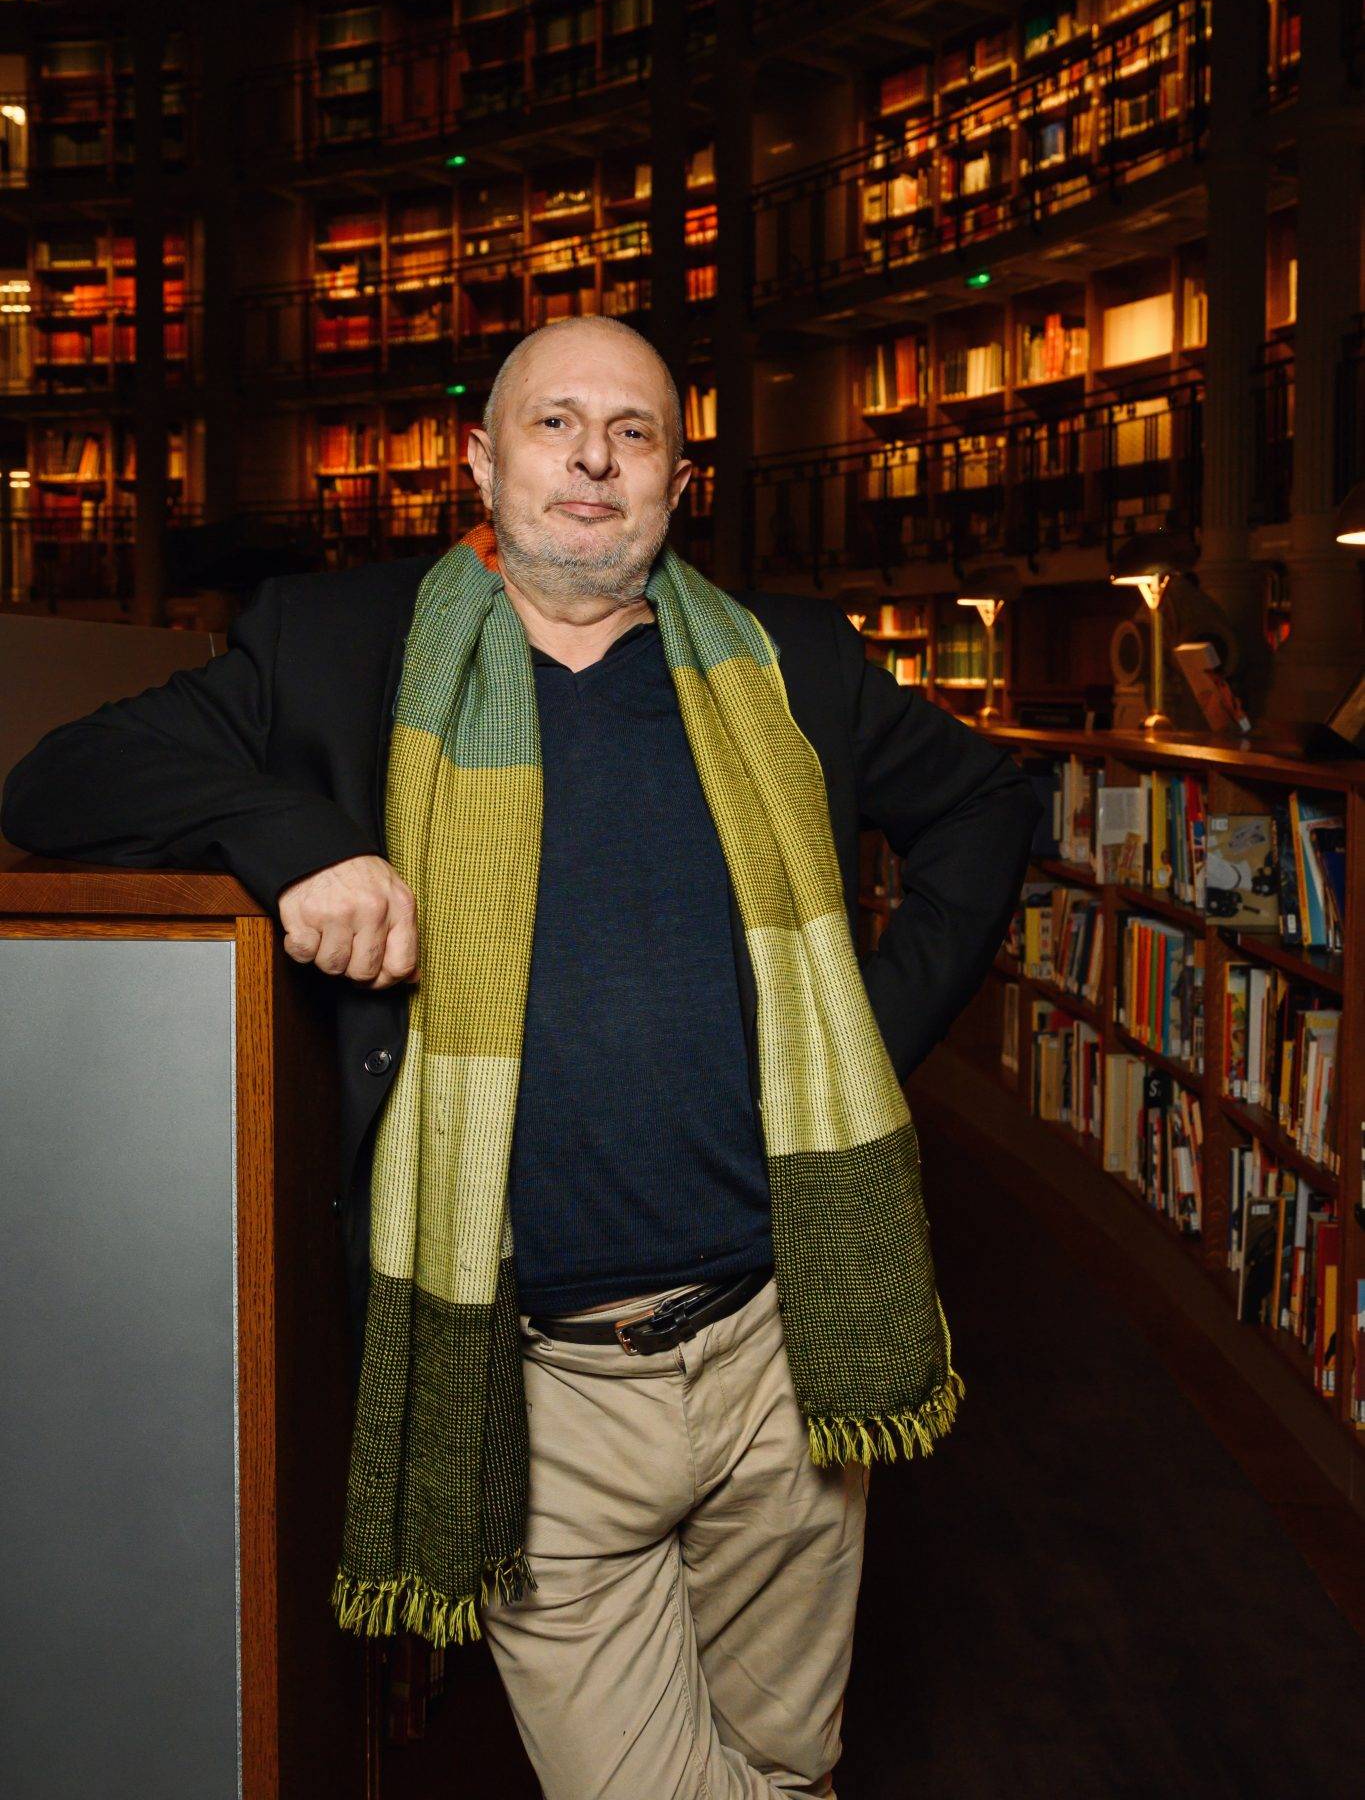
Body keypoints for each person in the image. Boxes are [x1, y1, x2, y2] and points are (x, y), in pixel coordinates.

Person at [1, 315, 1042, 1799]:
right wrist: (296, 846)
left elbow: (983, 806)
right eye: (557, 425)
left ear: (678, 482)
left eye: (632, 434)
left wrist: (866, 1038)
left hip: (786, 1343)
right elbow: (61, 778)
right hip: (533, 1380)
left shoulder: (792, 663)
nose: (593, 462)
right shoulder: (335, 646)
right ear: (480, 460)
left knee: (788, 1763)